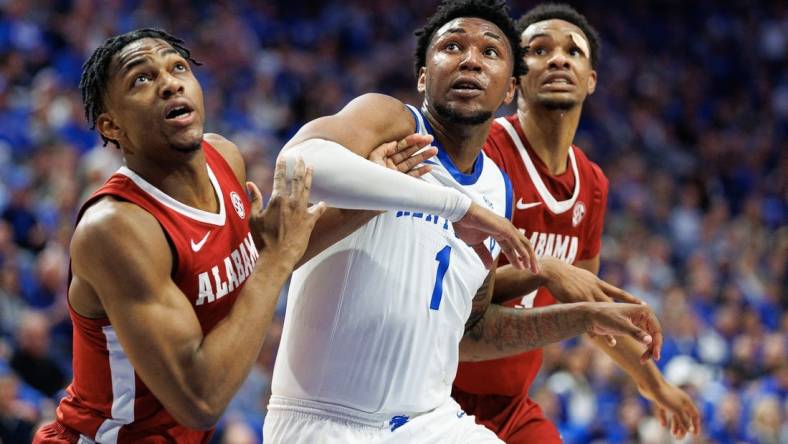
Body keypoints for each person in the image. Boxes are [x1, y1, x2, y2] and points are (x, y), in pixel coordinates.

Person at [264, 1, 662, 442]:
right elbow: (298, 163)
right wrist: (456, 207)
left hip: (428, 423)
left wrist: (581, 317)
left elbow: (472, 332)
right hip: (325, 421)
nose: (470, 59)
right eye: (452, 46)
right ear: (422, 75)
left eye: (490, 52)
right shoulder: (390, 121)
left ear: (510, 89)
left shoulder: (497, 187)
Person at [33, 29, 326, 443]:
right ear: (111, 126)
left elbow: (288, 244)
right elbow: (199, 400)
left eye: (178, 67)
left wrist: (400, 182)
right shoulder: (116, 228)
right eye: (142, 78)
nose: (170, 82)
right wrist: (273, 261)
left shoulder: (225, 157)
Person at [450, 4, 702, 443]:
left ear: (591, 79)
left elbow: (590, 312)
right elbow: (449, 287)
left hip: (511, 404)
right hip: (437, 389)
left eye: (574, 51)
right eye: (539, 49)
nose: (559, 58)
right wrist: (542, 267)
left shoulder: (593, 183)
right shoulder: (485, 150)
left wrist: (655, 386)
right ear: (512, 79)